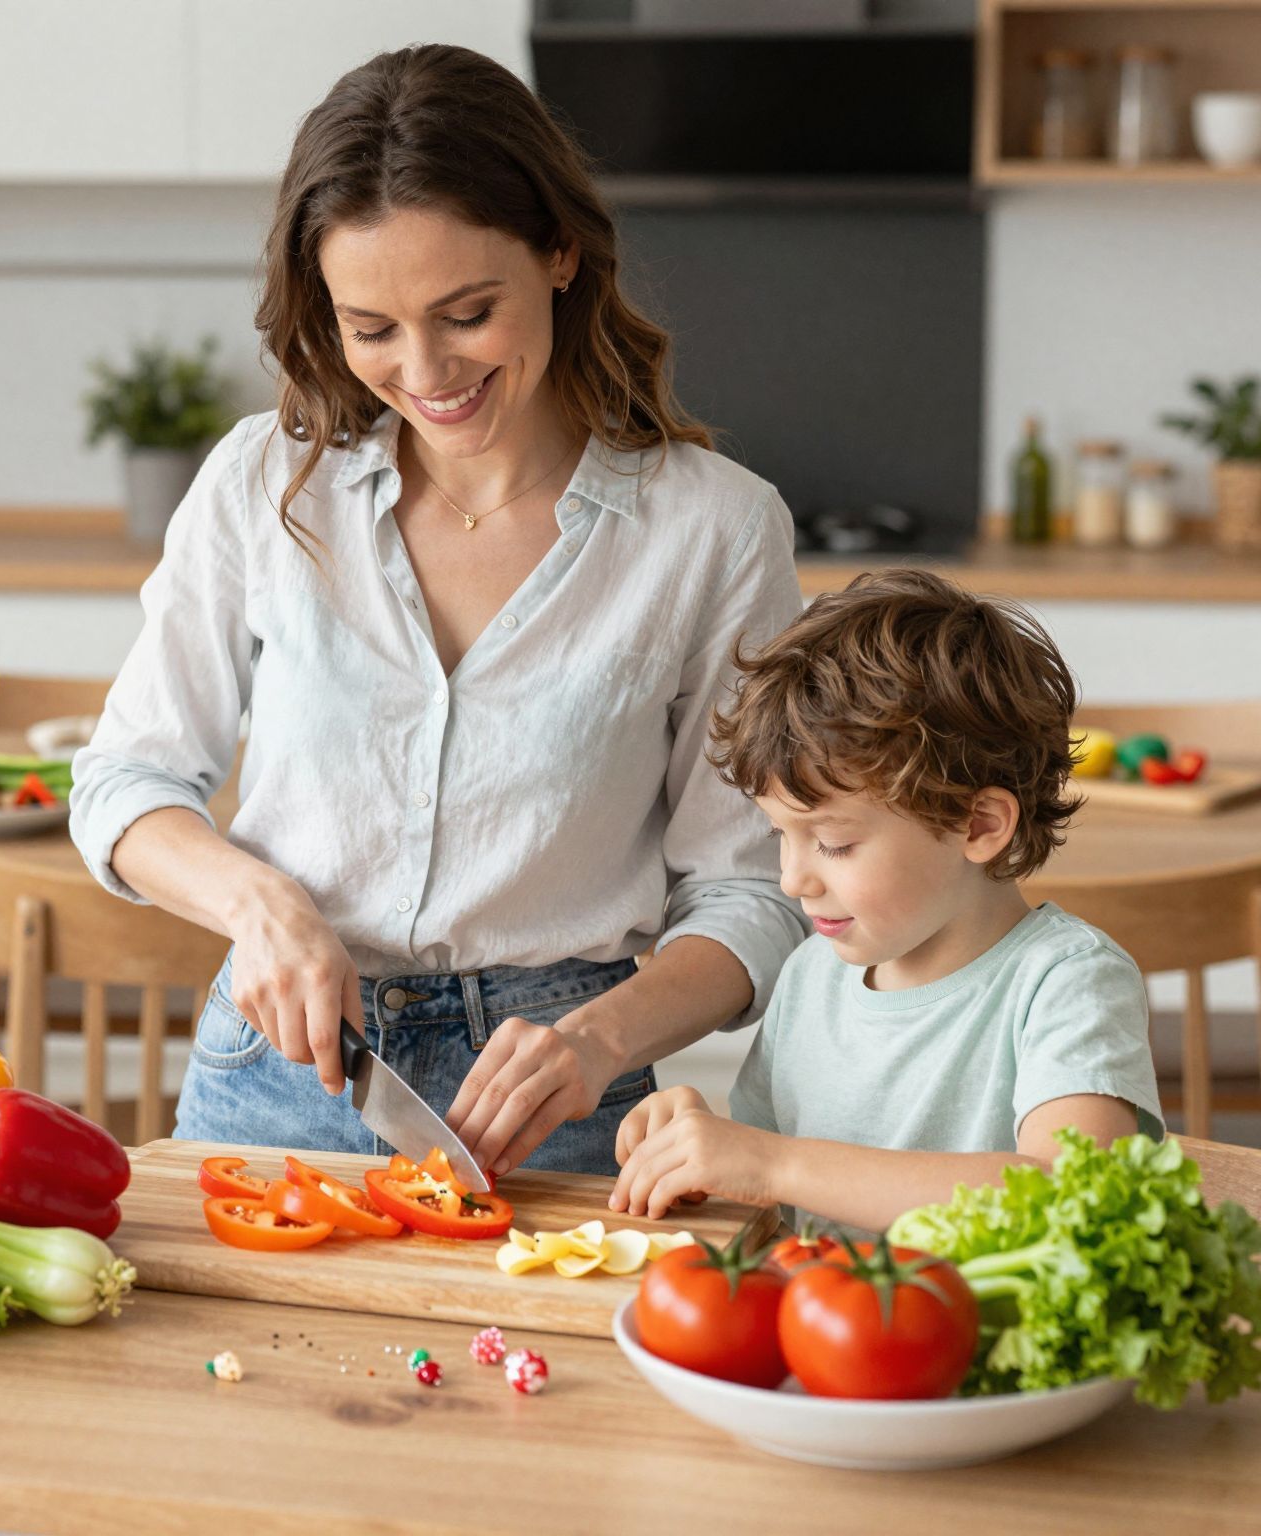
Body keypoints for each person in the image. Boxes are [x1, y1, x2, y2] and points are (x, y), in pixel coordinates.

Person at [70, 44, 806, 1177]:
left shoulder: (711, 529)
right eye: (371, 329)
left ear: (560, 253)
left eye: (466, 313)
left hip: (554, 1096)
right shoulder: (264, 483)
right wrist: (257, 904)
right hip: (275, 1073)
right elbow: (124, 782)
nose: (424, 371)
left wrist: (597, 1036)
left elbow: (747, 894)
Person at [610, 568, 1165, 1227]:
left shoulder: (1067, 983)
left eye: (836, 843)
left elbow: (1069, 1194)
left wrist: (769, 1163)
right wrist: (698, 1153)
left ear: (979, 826)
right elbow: (777, 1196)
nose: (793, 879)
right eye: (780, 835)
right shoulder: (810, 975)